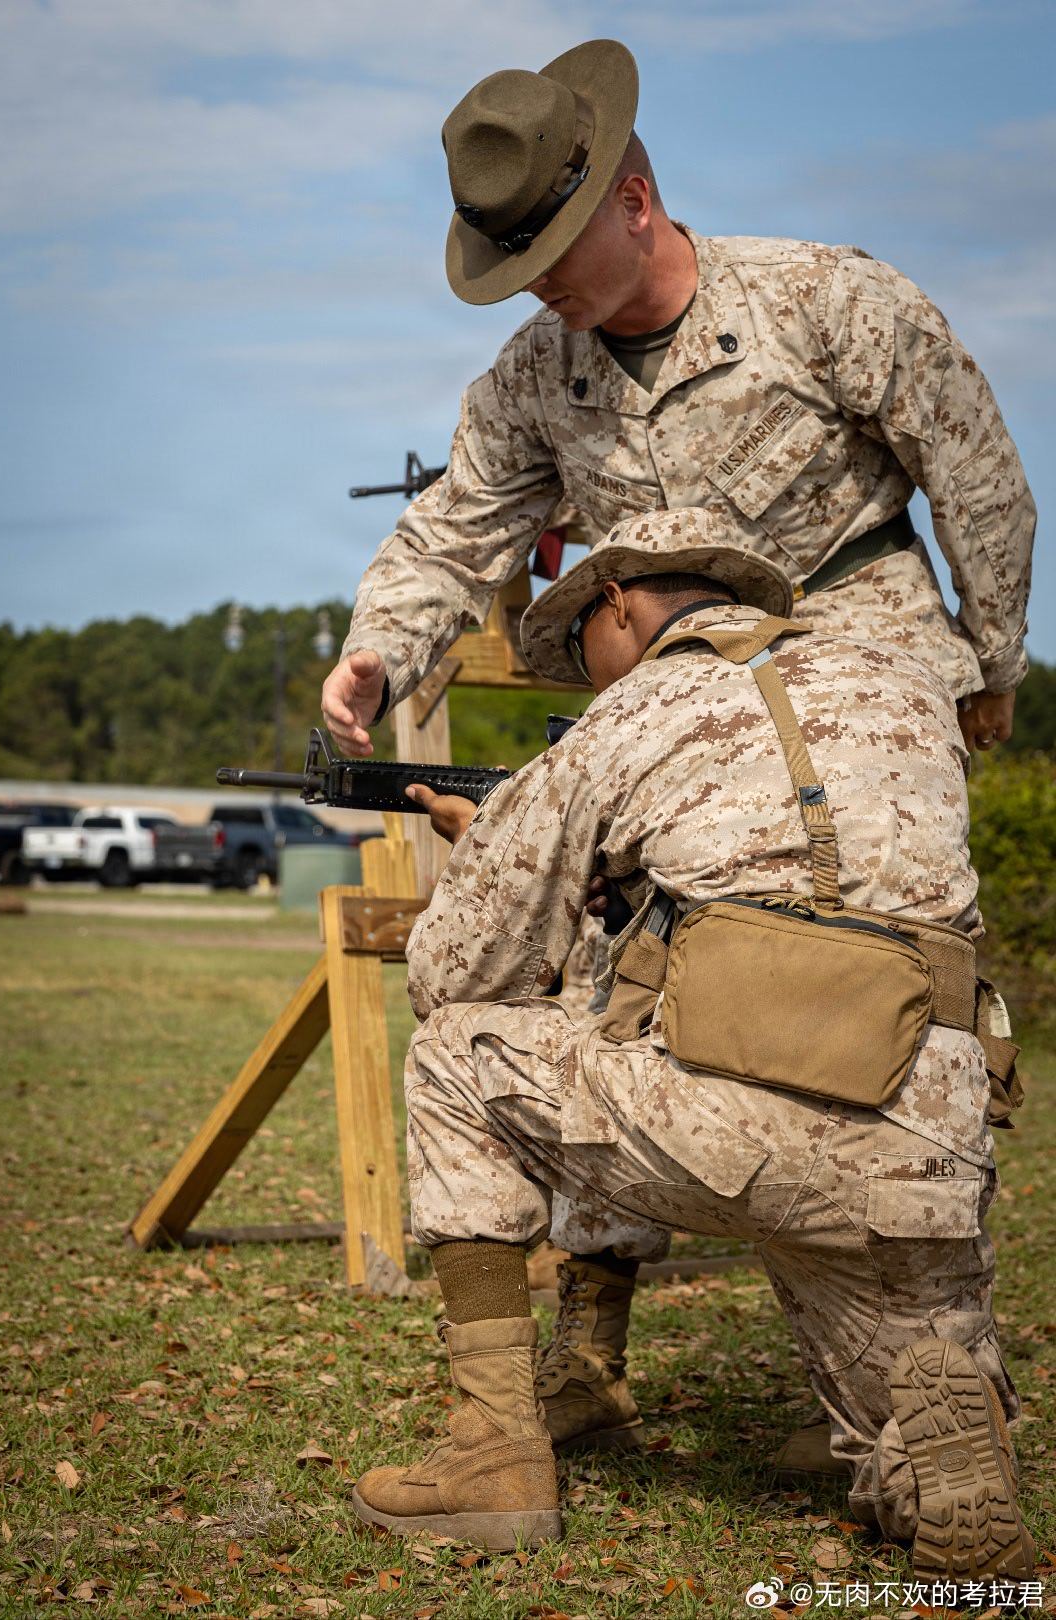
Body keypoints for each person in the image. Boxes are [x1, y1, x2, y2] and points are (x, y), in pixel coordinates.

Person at [324, 36, 1035, 1457]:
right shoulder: (538, 377)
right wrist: (377, 646)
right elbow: (454, 526)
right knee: (609, 984)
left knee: (865, 1005)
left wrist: (987, 664)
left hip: (857, 689)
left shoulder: (831, 301)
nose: (536, 292)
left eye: (550, 257)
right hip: (667, 732)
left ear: (633, 200)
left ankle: (929, 1354)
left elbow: (979, 477)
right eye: (509, 265)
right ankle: (586, 1353)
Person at [350, 512, 1032, 1582]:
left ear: (617, 606)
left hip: (743, 1129)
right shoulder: (901, 683)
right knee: (901, 1410)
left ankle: (491, 1456)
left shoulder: (627, 720)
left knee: (452, 1054)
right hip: (927, 1151)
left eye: (580, 651)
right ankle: (932, 1457)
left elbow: (455, 970)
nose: (585, 679)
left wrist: (499, 851)